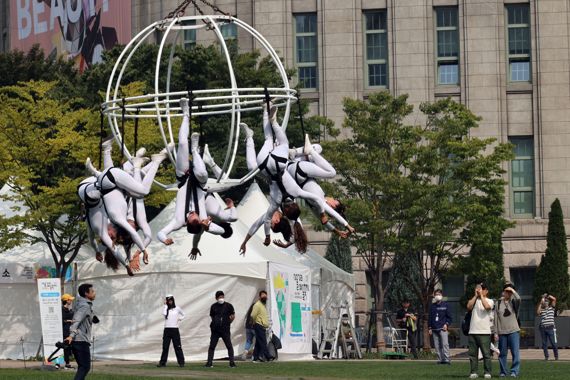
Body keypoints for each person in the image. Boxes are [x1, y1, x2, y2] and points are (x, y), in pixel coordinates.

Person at [239, 104, 328, 255]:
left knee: (256, 163)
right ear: (282, 218)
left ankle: (266, 125)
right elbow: (267, 223)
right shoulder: (276, 205)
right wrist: (268, 238)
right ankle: (264, 120)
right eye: (275, 223)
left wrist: (322, 214)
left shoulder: (295, 195)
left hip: (276, 165)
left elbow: (317, 200)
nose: (272, 221)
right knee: (268, 143)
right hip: (271, 167)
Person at [157, 98, 226, 248]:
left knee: (182, 143)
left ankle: (186, 114)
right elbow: (221, 231)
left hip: (183, 178)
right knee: (202, 172)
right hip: (200, 183)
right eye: (197, 219)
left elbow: (160, 233)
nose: (195, 215)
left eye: (193, 218)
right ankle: (195, 150)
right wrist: (208, 226)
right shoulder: (202, 219)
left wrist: (164, 239)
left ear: (187, 222)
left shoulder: (178, 221)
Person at [64, 283, 97, 380]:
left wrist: (93, 318)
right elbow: (76, 321)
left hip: (78, 340)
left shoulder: (81, 304)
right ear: (86, 294)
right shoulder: (85, 306)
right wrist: (71, 335)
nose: (94, 293)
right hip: (80, 340)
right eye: (92, 291)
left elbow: (81, 317)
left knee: (82, 367)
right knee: (85, 367)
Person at [467, 282, 494, 379]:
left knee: (486, 354)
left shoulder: (490, 300)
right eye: (478, 288)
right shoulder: (474, 300)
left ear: (486, 291)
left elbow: (487, 307)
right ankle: (473, 372)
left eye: (482, 289)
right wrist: (475, 296)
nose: (479, 290)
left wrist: (481, 296)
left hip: (484, 332)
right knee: (472, 354)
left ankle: (487, 372)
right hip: (473, 331)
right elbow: (469, 306)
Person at [494, 283, 521, 377]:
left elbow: (519, 298)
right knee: (502, 354)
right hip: (502, 332)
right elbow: (496, 319)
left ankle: (514, 371)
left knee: (515, 353)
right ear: (503, 291)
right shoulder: (497, 303)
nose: (508, 293)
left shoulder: (514, 302)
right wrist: (495, 333)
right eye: (506, 291)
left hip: (514, 331)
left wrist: (513, 290)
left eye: (510, 292)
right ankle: (503, 372)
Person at [205, 291, 236, 368]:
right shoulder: (213, 306)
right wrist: (216, 322)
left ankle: (232, 363)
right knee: (212, 346)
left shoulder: (229, 306)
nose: (221, 298)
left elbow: (232, 316)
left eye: (222, 296)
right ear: (216, 298)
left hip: (225, 329)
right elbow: (212, 317)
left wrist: (227, 323)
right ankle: (209, 363)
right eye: (219, 297)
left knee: (229, 346)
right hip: (215, 330)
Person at [157, 295, 185, 367]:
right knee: (165, 347)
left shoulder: (177, 308)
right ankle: (163, 363)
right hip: (167, 330)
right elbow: (164, 314)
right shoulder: (166, 309)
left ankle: (181, 362)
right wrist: (165, 305)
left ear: (173, 300)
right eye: (168, 300)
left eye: (171, 300)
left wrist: (180, 319)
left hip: (175, 329)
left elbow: (184, 314)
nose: (170, 301)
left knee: (177, 346)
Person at [428, 289, 452, 365]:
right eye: (436, 294)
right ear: (434, 296)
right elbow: (430, 318)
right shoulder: (432, 306)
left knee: (445, 344)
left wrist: (447, 324)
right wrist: (429, 328)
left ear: (442, 295)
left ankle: (447, 359)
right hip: (434, 328)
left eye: (439, 294)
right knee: (437, 345)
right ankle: (440, 359)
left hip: (443, 328)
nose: (437, 296)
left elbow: (450, 317)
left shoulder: (446, 305)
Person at [250, 290, 270, 362]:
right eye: (263, 295)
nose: (264, 296)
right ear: (260, 296)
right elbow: (252, 315)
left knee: (258, 343)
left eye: (265, 295)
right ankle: (268, 356)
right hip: (258, 325)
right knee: (263, 341)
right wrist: (256, 322)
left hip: (262, 326)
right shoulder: (257, 305)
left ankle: (255, 357)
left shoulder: (262, 305)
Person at [537, 293, 558, 360]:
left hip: (550, 327)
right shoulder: (542, 310)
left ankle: (556, 356)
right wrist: (540, 303)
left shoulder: (552, 308)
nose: (545, 302)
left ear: (548, 303)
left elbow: (554, 299)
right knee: (544, 344)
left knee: (553, 343)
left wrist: (549, 296)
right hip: (543, 328)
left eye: (547, 301)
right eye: (545, 301)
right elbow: (538, 312)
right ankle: (546, 357)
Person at [61, 294, 75, 369]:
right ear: (66, 301)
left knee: (68, 347)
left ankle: (67, 363)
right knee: (63, 347)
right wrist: (71, 321)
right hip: (64, 331)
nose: (71, 301)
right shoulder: (62, 310)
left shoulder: (68, 310)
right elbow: (62, 320)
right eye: (70, 300)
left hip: (69, 330)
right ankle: (59, 363)